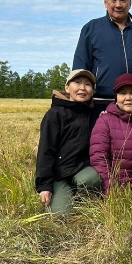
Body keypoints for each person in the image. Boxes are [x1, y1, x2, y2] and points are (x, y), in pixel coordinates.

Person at [73, 0, 132, 129]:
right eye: (113, 0)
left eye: (123, 0)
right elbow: (81, 66)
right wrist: (83, 97)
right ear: (105, 3)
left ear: (130, 3)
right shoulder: (91, 29)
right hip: (101, 103)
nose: (118, 5)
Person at [35, 69, 102, 214]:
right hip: (59, 174)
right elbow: (45, 151)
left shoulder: (95, 114)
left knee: (92, 179)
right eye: (77, 83)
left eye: (87, 84)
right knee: (60, 216)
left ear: (92, 90)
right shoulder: (55, 114)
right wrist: (44, 186)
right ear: (67, 87)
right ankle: (65, 193)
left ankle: (82, 197)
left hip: (82, 170)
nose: (82, 88)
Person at [89, 73, 132, 194]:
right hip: (116, 190)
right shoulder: (104, 121)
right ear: (116, 98)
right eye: (122, 93)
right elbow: (99, 159)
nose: (127, 98)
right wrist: (111, 191)